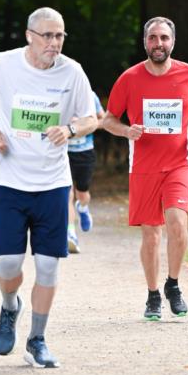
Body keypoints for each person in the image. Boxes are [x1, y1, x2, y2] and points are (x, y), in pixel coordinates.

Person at [0, 7, 97, 367]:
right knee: (8, 265)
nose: (54, 43)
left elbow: (91, 118)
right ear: (29, 36)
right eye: (47, 36)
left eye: (59, 36)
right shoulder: (4, 65)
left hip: (53, 183)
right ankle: (10, 306)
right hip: (8, 180)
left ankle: (37, 340)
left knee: (48, 267)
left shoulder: (73, 72)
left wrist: (70, 130)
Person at [102, 16, 188, 320]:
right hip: (144, 167)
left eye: (164, 38)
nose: (158, 44)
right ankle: (153, 295)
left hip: (180, 162)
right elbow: (108, 119)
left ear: (172, 41)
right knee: (151, 234)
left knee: (177, 224)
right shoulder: (130, 78)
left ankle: (173, 285)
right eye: (153, 38)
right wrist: (127, 131)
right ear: (145, 42)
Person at [67, 89, 105, 253]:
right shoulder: (56, 92)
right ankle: (70, 233)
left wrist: (83, 124)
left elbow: (102, 120)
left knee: (82, 193)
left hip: (84, 152)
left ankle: (82, 207)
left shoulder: (90, 95)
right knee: (66, 193)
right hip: (62, 151)